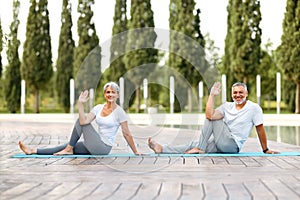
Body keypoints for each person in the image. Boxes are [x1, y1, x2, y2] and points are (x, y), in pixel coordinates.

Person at [148, 82, 279, 154]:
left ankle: (200, 148)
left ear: (246, 93)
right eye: (235, 92)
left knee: (212, 121)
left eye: (240, 92)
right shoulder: (227, 106)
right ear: (231, 94)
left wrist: (265, 149)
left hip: (232, 146)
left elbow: (260, 129)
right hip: (220, 142)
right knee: (192, 144)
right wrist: (212, 95)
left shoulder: (254, 108)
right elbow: (208, 114)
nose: (237, 95)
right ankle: (162, 149)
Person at [19, 82, 141, 155]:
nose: (110, 95)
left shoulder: (119, 112)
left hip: (104, 147)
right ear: (104, 94)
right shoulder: (98, 108)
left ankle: (68, 149)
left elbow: (127, 134)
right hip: (95, 143)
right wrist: (80, 103)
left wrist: (135, 151)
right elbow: (84, 120)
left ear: (117, 95)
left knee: (79, 125)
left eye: (113, 92)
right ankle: (33, 150)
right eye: (108, 92)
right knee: (67, 145)